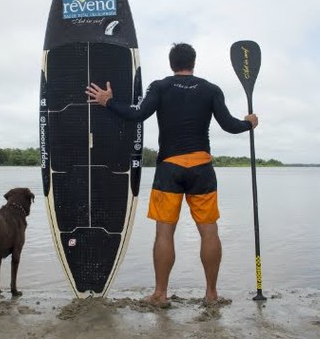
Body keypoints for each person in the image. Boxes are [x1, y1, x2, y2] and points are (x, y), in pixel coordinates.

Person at [85, 42, 258, 306]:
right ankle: (211, 295)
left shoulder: (160, 86)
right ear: (194, 62)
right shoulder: (211, 89)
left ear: (171, 63)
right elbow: (230, 125)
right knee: (209, 233)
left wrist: (108, 102)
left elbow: (137, 114)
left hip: (169, 169)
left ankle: (160, 295)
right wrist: (249, 123)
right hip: (202, 169)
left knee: (164, 234)